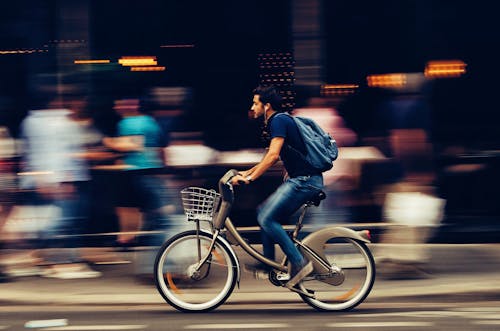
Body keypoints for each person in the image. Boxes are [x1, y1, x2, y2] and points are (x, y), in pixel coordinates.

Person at [230, 85, 324, 288]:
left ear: (267, 106)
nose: (252, 107)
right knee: (263, 211)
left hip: (304, 181)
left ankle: (299, 263)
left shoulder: (278, 120)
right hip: (302, 180)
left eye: (255, 103)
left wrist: (250, 179)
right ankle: (268, 263)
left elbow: (272, 156)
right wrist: (246, 173)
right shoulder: (279, 121)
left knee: (266, 217)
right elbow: (270, 158)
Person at [19, 96, 101, 279]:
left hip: (61, 178)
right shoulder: (57, 122)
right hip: (63, 178)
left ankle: (67, 260)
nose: (80, 105)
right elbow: (57, 153)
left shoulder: (33, 121)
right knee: (62, 221)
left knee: (69, 220)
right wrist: (63, 179)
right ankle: (57, 262)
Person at [102, 96, 170, 279]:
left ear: (132, 106)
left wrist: (108, 142)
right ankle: (155, 264)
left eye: (121, 103)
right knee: (159, 217)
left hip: (137, 172)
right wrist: (164, 169)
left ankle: (153, 265)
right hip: (151, 171)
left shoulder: (128, 122)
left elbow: (131, 145)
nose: (117, 106)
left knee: (161, 219)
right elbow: (161, 148)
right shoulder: (150, 121)